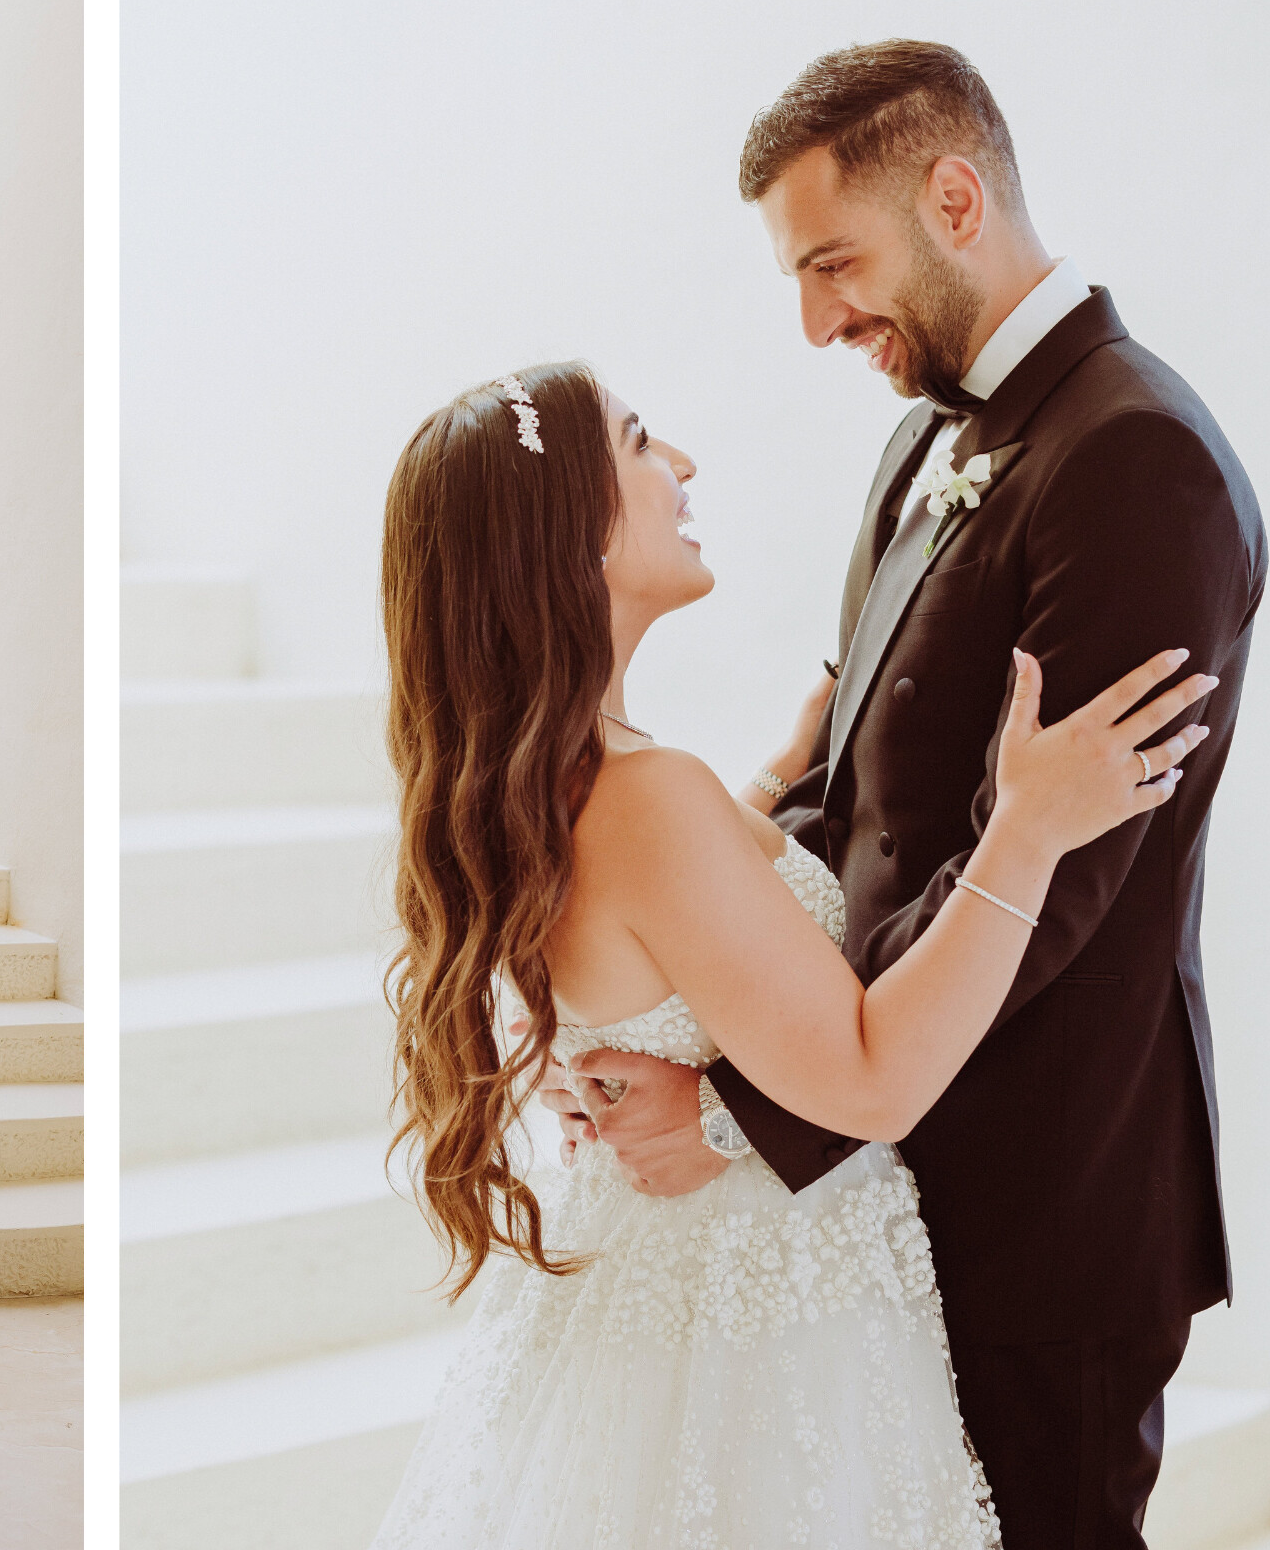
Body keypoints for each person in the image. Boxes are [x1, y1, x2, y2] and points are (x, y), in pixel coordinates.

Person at [539, 41, 1267, 1547]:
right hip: (888, 1168)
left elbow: (1061, 876)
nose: (817, 322)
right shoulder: (922, 439)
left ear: (953, 199)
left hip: (1046, 1191)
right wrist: (682, 1001)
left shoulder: (1138, 458)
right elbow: (856, 805)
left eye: (833, 265)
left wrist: (744, 1110)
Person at [369, 360, 1223, 1547]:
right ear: (573, 536)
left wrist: (775, 776)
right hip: (763, 1331)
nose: (680, 464)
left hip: (664, 1289)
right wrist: (1027, 831)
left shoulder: (539, 787)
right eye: (638, 441)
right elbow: (873, 1080)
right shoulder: (648, 799)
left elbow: (677, 921)